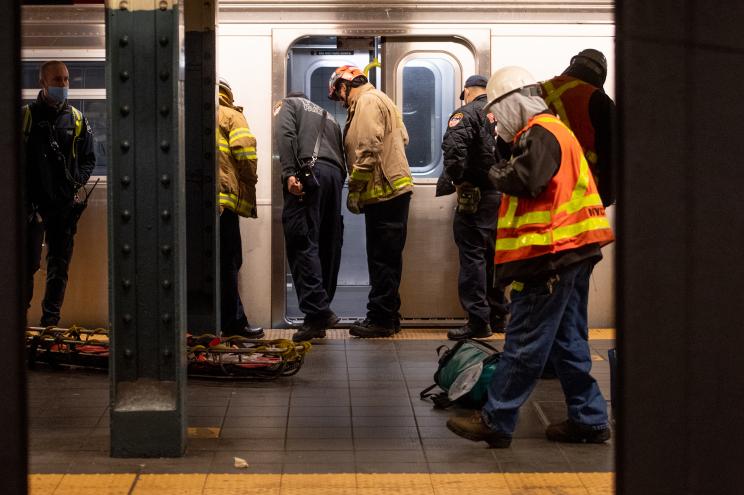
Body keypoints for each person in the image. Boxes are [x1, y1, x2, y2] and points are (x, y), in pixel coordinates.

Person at [446, 66, 614, 448]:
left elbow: (526, 179)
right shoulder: (553, 130)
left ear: (515, 102)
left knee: (525, 340)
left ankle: (497, 418)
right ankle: (588, 419)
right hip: (571, 252)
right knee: (568, 340)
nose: (495, 120)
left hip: (549, 255)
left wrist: (492, 169)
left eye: (498, 111)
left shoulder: (540, 133)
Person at [328, 65, 413, 338]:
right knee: (387, 258)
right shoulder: (382, 99)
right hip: (392, 191)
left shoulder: (365, 101)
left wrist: (354, 187)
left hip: (384, 192)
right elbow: (404, 137)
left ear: (345, 86)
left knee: (381, 259)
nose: (341, 102)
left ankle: (380, 319)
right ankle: (390, 314)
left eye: (338, 95)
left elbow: (368, 147)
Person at [23, 60, 95, 328]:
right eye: (57, 80)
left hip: (63, 207)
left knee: (58, 268)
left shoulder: (76, 119)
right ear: (43, 82)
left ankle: (50, 324)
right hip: (31, 208)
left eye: (65, 79)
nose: (63, 85)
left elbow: (88, 158)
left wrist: (75, 183)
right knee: (26, 267)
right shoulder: (27, 117)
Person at [437, 74, 509, 340]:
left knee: (473, 257)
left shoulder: (465, 114)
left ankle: (478, 321)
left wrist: (458, 181)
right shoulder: (502, 113)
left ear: (466, 91)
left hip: (476, 195)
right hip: (502, 195)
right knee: (495, 256)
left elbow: (454, 151)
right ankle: (499, 316)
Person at [273, 92, 346, 342]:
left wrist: (289, 173)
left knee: (301, 241)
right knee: (328, 245)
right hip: (334, 177)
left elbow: (285, 136)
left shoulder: (288, 105)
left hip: (307, 175)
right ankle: (316, 320)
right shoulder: (331, 118)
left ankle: (319, 310)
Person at [217, 78, 263, 338]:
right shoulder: (231, 115)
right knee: (230, 261)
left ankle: (223, 319)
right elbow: (246, 152)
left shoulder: (193, 114)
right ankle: (234, 322)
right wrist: (250, 179)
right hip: (225, 201)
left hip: (201, 205)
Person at [541, 48, 616, 206]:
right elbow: (611, 155)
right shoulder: (600, 101)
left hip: (538, 192)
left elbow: (507, 143)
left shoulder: (536, 92)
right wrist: (606, 197)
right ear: (600, 74)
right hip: (580, 195)